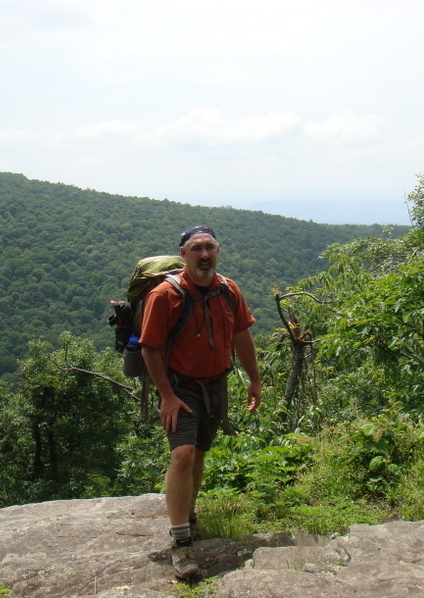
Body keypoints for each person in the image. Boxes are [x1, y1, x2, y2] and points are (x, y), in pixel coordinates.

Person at [140, 225, 262, 581]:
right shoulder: (165, 295)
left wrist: (254, 380)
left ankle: (188, 512)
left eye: (210, 248)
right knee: (182, 454)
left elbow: (241, 335)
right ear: (184, 255)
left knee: (200, 452)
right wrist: (167, 396)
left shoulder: (229, 290)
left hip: (216, 384)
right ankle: (181, 544)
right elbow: (150, 347)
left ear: (218, 252)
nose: (204, 255)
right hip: (180, 385)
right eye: (197, 249)